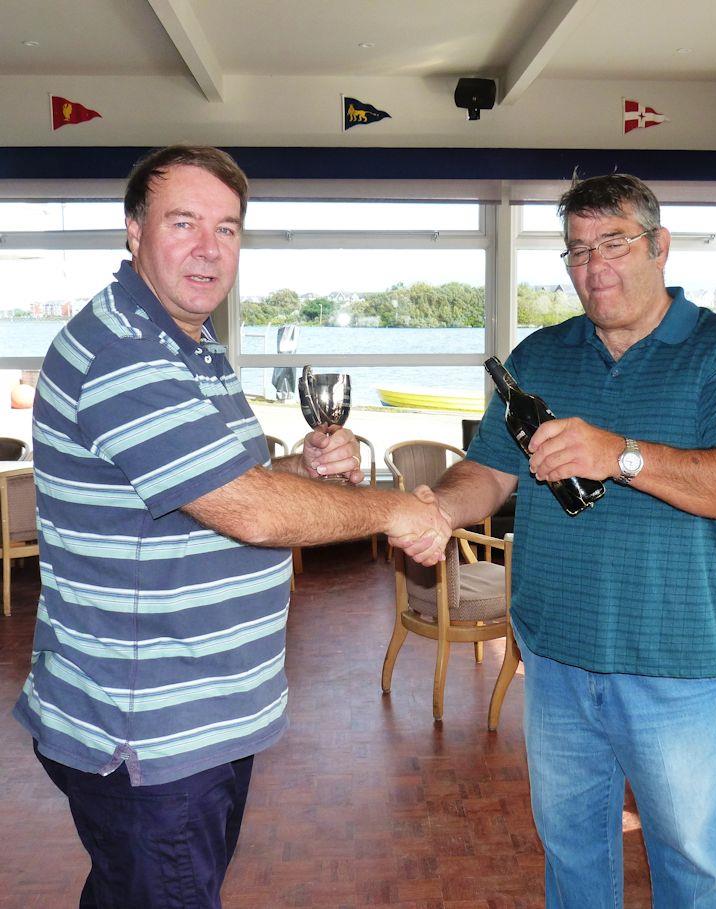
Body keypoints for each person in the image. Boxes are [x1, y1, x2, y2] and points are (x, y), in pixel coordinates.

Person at [14, 145, 449, 909]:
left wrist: (307, 476)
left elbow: (228, 487)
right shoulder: (125, 350)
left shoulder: (190, 342)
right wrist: (394, 507)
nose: (209, 248)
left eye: (228, 228)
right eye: (184, 222)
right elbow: (249, 511)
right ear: (133, 230)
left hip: (188, 719)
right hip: (148, 737)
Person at [397, 174, 716, 907]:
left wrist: (621, 454)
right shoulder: (542, 355)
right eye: (577, 249)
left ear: (660, 246)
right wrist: (442, 509)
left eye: (614, 242)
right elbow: (489, 468)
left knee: (693, 867)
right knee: (573, 856)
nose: (593, 266)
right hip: (555, 659)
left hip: (674, 662)